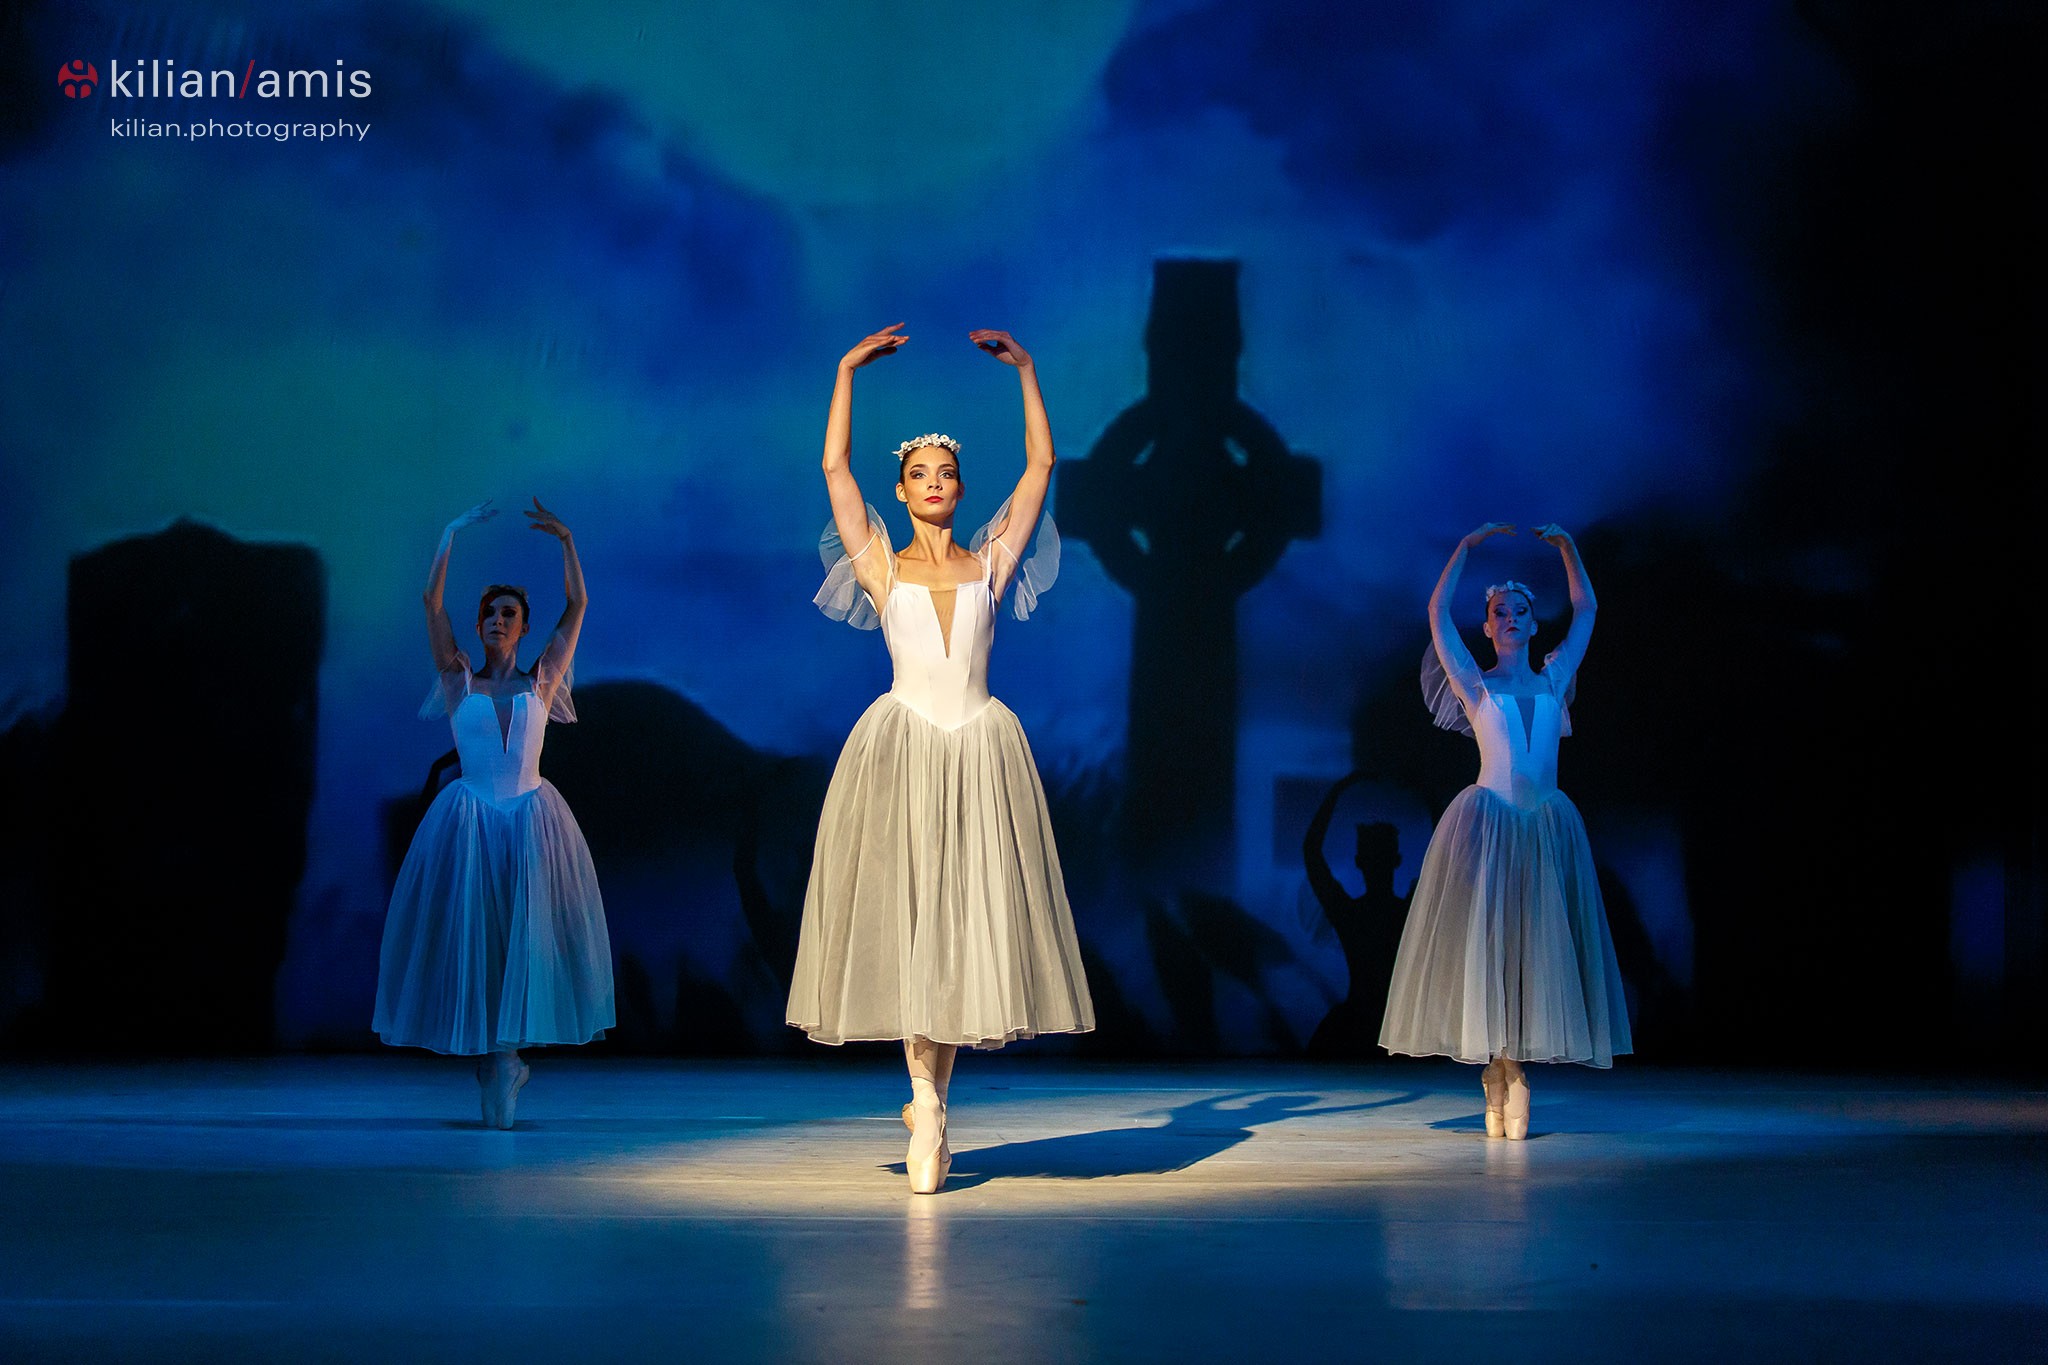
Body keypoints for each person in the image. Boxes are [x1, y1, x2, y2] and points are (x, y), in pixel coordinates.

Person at [786, 323, 1095, 1193]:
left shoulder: (991, 564)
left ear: (960, 488)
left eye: (945, 472)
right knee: (916, 922)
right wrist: (845, 369)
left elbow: (1040, 467)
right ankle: (925, 1100)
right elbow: (834, 469)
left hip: (979, 752)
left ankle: (932, 1103)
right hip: (905, 751)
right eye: (918, 472)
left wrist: (1027, 370)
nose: (932, 482)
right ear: (902, 489)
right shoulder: (881, 568)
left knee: (958, 931)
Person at [1380, 523, 1631, 1138]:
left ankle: (1506, 1070)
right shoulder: (1475, 686)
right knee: (1491, 948)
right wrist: (1464, 548)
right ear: (1488, 627)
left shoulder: (1553, 680)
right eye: (1500, 613)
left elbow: (1587, 610)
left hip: (1545, 830)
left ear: (1533, 624)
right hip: (1489, 826)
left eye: (1521, 611)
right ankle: (1505, 1068)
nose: (1512, 618)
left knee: (1533, 950)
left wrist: (1568, 549)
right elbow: (1437, 613)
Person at [374, 498, 615, 1129]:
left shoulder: (541, 682)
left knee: (521, 937)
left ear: (523, 627)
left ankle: (504, 1061)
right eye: (488, 613)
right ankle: (497, 1061)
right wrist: (448, 533)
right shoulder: (459, 680)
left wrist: (567, 540)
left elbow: (578, 605)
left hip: (531, 820)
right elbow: (431, 605)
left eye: (507, 613)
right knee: (480, 938)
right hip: (472, 821)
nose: (496, 620)